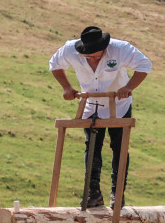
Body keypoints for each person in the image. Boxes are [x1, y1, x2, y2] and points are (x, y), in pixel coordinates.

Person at [50, 26, 152, 208]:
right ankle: (93, 193)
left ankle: (117, 194)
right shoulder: (70, 49)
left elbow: (145, 65)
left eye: (97, 56)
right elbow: (54, 65)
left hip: (118, 105)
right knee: (92, 147)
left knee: (119, 148)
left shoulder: (121, 49)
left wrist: (128, 88)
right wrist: (67, 87)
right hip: (91, 104)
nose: (93, 60)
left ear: (105, 48)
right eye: (89, 57)